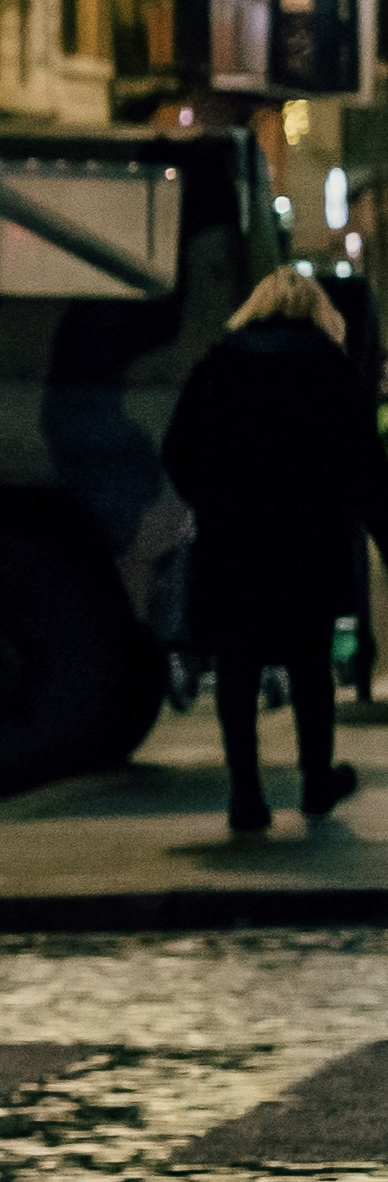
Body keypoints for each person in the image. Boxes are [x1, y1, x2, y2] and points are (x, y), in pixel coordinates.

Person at [161, 266, 384, 837]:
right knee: (310, 664)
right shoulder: (331, 369)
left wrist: (212, 498)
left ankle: (246, 795)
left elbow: (176, 449)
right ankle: (316, 781)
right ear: (318, 313)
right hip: (310, 543)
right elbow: (364, 466)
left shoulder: (219, 365)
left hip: (232, 543)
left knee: (237, 666)